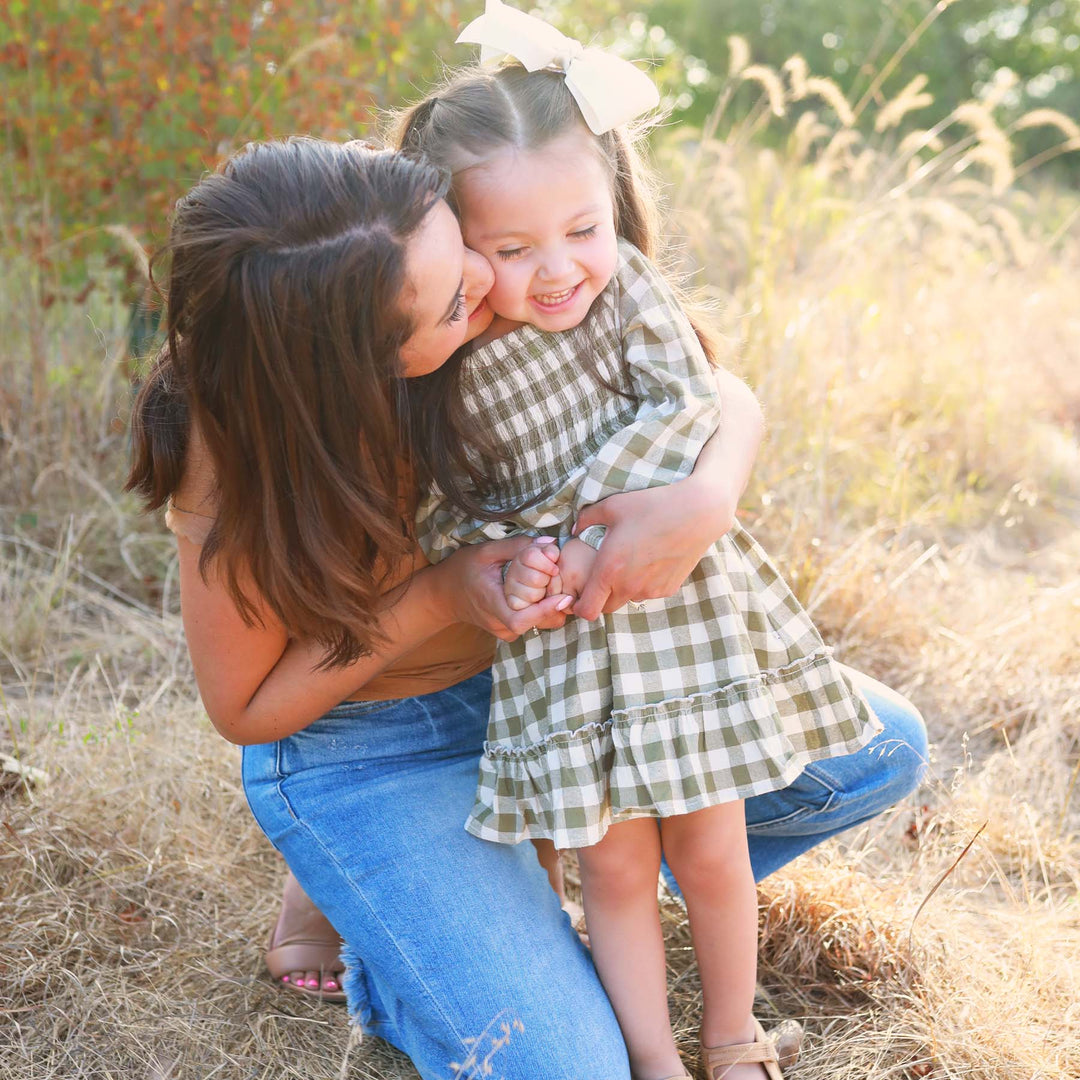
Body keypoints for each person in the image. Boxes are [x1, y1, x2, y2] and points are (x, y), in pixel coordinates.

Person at [127, 134, 926, 1080]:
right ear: (356, 362)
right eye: (452, 298)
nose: (484, 281)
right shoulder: (241, 449)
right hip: (372, 738)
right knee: (572, 1066)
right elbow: (245, 710)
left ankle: (543, 899)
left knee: (876, 752)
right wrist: (440, 594)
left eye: (460, 243)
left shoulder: (466, 270)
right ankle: (399, 929)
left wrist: (707, 498)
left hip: (538, 683)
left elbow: (710, 385)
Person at [398, 9, 883, 1079]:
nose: (560, 268)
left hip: (672, 620)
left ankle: (733, 1039)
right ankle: (654, 1057)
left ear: (614, 200)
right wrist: (513, 560)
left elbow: (688, 406)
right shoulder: (448, 360)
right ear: (451, 241)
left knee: (710, 849)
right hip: (562, 646)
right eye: (513, 249)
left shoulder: (630, 300)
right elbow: (452, 510)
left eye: (583, 227)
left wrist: (579, 522)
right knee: (611, 870)